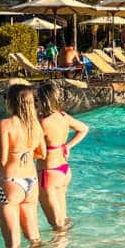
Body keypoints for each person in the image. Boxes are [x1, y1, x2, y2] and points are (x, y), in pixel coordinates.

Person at [0, 84, 45, 248]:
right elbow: (41, 153)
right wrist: (26, 152)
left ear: (11, 102)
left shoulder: (5, 124)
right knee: (34, 236)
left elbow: (3, 159)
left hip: (9, 182)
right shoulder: (36, 125)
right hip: (31, 182)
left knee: (13, 243)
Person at [36, 82, 89, 231]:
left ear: (44, 100)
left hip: (48, 173)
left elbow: (33, 148)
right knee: (63, 219)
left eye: (37, 100)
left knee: (57, 225)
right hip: (64, 170)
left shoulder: (43, 123)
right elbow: (84, 129)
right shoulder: (64, 116)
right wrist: (67, 145)